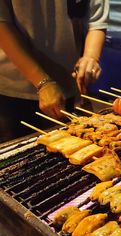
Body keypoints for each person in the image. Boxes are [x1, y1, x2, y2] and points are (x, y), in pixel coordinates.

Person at [0, 0, 109, 143]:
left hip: (66, 85)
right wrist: (42, 82)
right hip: (14, 88)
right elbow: (2, 23)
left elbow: (96, 21)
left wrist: (91, 57)